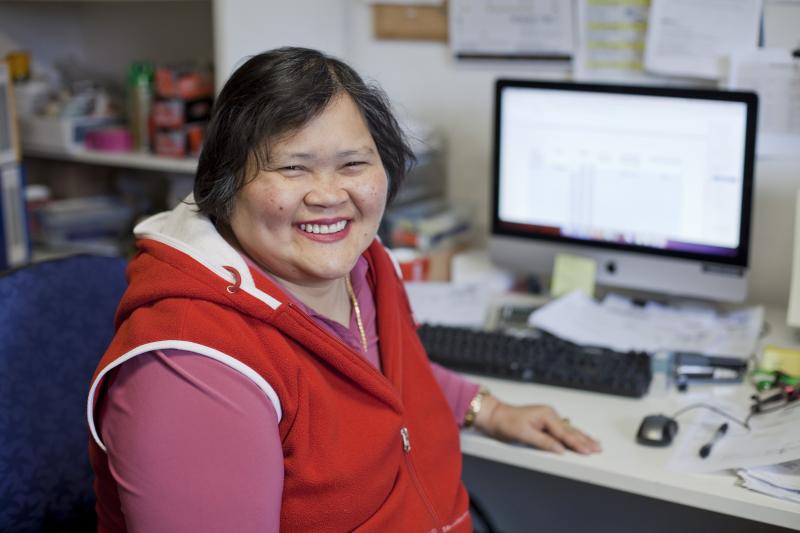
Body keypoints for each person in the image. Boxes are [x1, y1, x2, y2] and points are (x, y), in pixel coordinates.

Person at [87, 47, 600, 533]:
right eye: (292, 167)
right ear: (224, 183)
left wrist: (487, 408)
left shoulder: (364, 264)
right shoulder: (192, 368)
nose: (330, 195)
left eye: (353, 164)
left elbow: (383, 375)